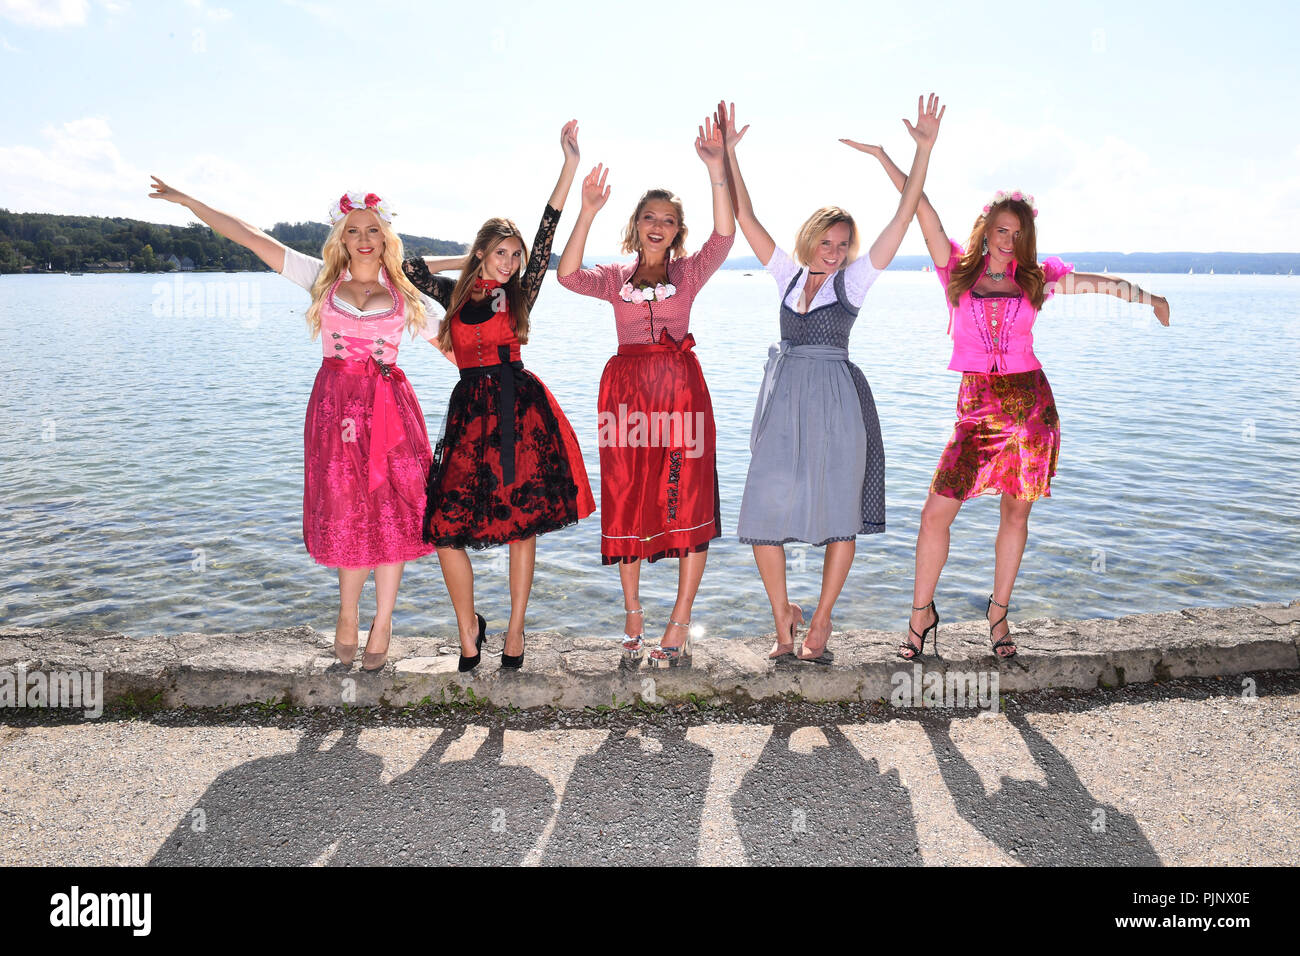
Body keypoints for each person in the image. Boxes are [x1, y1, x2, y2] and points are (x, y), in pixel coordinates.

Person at [847, 146, 1172, 660]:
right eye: (1001, 230)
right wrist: (893, 157)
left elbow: (1100, 286)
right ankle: (921, 614)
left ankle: (998, 615)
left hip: (1031, 407)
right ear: (985, 230)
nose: (1009, 240)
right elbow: (921, 208)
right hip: (977, 409)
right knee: (936, 513)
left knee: (1015, 516)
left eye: (1017, 233)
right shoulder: (954, 270)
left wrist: (1149, 298)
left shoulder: (1034, 280)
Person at [148, 177, 463, 670]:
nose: (363, 238)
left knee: (390, 511)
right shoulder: (322, 280)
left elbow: (461, 352)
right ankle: (347, 614)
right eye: (354, 229)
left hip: (390, 410)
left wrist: (509, 391)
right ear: (341, 238)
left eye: (373, 231)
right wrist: (190, 202)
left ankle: (383, 621)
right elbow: (252, 237)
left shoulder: (406, 298)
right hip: (335, 410)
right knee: (347, 509)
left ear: (386, 239)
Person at [720, 95, 944, 662]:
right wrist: (726, 158)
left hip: (838, 406)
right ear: (810, 239)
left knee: (839, 512)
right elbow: (745, 217)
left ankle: (820, 623)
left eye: (844, 245)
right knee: (762, 514)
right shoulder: (787, 275)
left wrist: (918, 154)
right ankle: (783, 619)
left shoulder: (856, 282)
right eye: (829, 241)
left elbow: (902, 219)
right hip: (786, 401)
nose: (837, 251)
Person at [401, 120, 594, 672]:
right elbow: (407, 265)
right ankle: (469, 631)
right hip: (469, 416)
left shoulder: (521, 292)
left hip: (519, 410)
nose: (510, 264)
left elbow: (548, 233)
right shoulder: (454, 292)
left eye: (515, 256)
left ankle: (514, 630)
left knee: (521, 522)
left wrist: (569, 166)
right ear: (483, 251)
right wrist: (464, 264)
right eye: (501, 254)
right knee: (444, 526)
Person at [557, 114, 735, 668]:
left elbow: (726, 234)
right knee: (628, 494)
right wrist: (586, 212)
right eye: (649, 217)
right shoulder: (614, 278)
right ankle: (633, 612)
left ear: (678, 230)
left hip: (682, 394)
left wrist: (717, 168)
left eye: (668, 220)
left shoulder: (689, 273)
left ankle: (679, 619)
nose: (658, 225)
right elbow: (565, 274)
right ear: (635, 225)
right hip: (627, 396)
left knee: (687, 496)